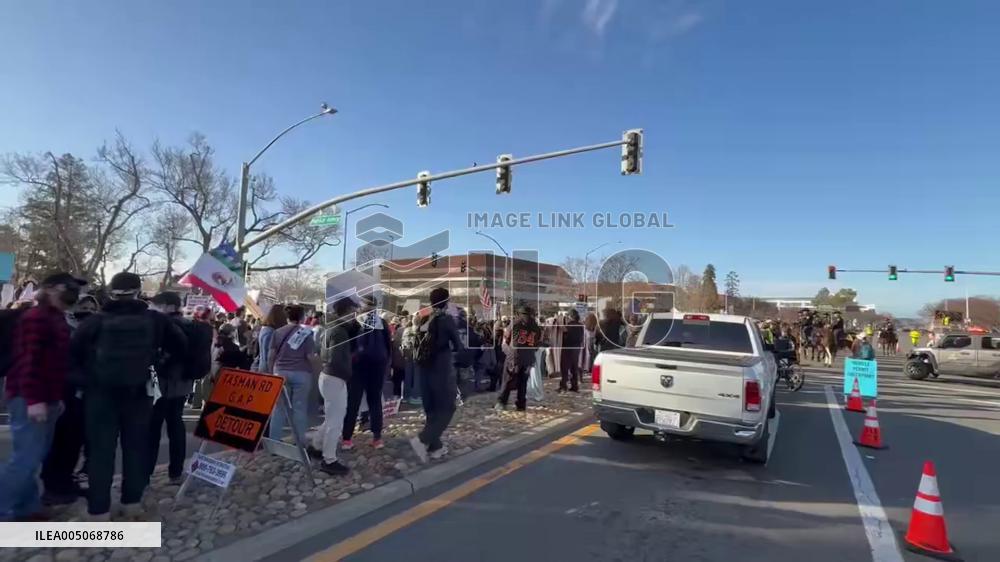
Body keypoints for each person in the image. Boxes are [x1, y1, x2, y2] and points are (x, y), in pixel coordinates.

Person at [71, 272, 187, 520]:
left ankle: (99, 509)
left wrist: (88, 380)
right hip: (139, 392)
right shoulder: (155, 320)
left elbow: (72, 357)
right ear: (138, 290)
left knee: (100, 451)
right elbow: (180, 347)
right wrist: (156, 364)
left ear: (112, 292)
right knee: (136, 448)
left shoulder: (95, 321)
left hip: (100, 395)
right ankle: (131, 502)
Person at [0, 272, 83, 521]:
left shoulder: (55, 318)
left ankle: (27, 507)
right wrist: (34, 400)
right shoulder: (36, 318)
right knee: (26, 457)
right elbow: (29, 361)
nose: (71, 292)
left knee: (33, 455)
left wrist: (54, 400)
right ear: (48, 288)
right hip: (29, 397)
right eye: (65, 287)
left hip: (46, 397)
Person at [147, 291, 212, 485]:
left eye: (156, 305)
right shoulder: (192, 325)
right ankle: (175, 472)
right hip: (183, 382)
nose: (152, 309)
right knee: (176, 424)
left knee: (153, 426)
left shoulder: (164, 324)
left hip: (162, 380)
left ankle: (146, 472)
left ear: (168, 306)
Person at [40, 292, 97, 506]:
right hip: (64, 391)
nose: (88, 310)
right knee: (59, 442)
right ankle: (53, 487)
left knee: (73, 442)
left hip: (82, 393)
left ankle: (63, 483)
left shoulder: (92, 328)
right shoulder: (63, 328)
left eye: (92, 306)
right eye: (84, 305)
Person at [410, 287, 465, 462]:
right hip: (441, 369)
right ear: (446, 301)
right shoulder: (446, 319)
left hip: (423, 367)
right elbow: (458, 346)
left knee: (431, 409)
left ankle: (435, 447)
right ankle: (422, 440)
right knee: (448, 408)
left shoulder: (422, 317)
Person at [308, 298, 358, 476]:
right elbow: (337, 359)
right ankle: (329, 459)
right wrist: (348, 374)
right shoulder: (339, 331)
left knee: (331, 417)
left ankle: (316, 446)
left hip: (328, 376)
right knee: (335, 421)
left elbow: (325, 354)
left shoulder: (331, 328)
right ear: (347, 311)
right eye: (353, 311)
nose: (355, 315)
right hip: (335, 378)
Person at [342, 299, 391, 450]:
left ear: (362, 307)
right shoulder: (382, 323)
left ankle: (347, 439)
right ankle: (377, 438)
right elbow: (388, 345)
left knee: (353, 403)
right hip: (377, 367)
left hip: (358, 367)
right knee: (375, 401)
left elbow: (349, 346)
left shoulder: (356, 322)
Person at [267, 305, 318, 446]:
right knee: (299, 408)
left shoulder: (277, 332)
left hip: (280, 372)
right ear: (302, 317)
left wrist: (272, 372)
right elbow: (310, 356)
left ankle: (274, 441)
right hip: (301, 373)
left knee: (279, 409)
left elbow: (271, 355)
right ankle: (300, 441)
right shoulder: (306, 333)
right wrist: (317, 369)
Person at [496, 304, 542, 412]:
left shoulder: (515, 323)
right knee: (523, 382)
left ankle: (502, 402)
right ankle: (521, 404)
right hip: (528, 358)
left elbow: (507, 337)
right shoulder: (536, 326)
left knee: (507, 380)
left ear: (519, 314)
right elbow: (537, 343)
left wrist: (507, 350)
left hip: (514, 356)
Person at [255, 305, 287, 373]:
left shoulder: (265, 329)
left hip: (263, 366)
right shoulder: (271, 333)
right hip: (268, 369)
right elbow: (269, 356)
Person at [559, 309, 584, 392]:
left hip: (568, 349)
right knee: (574, 367)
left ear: (570, 316)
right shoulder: (581, 325)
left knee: (565, 368)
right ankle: (574, 386)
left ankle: (563, 386)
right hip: (576, 349)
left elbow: (564, 333)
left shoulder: (569, 325)